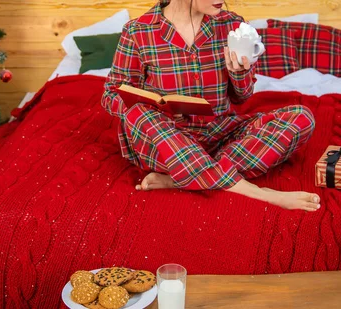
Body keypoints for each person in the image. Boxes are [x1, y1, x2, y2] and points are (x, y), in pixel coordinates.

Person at [101, 0, 320, 211]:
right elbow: (111, 94)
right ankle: (257, 192)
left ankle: (181, 178)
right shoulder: (138, 31)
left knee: (301, 116)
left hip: (220, 133)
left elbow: (242, 98)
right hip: (166, 141)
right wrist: (157, 107)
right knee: (139, 113)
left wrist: (239, 73)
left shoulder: (232, 25)